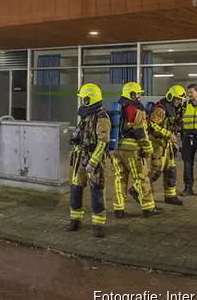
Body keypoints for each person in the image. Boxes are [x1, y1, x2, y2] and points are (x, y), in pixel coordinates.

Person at [67, 83, 110, 237]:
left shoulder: (102, 117)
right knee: (76, 189)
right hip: (79, 157)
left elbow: (103, 142)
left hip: (93, 159)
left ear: (88, 100)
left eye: (83, 99)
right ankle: (75, 220)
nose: (81, 102)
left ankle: (98, 224)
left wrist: (93, 161)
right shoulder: (86, 115)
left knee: (96, 190)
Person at [112, 82, 160, 218]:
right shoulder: (137, 109)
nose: (139, 97)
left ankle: (119, 209)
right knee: (141, 178)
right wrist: (148, 148)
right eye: (138, 94)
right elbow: (140, 131)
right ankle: (148, 207)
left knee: (119, 179)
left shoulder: (117, 106)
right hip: (132, 150)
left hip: (116, 149)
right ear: (132, 94)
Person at [147, 85, 186, 206]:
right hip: (157, 143)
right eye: (177, 99)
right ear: (170, 97)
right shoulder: (161, 109)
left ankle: (170, 195)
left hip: (167, 144)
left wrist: (173, 140)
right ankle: (138, 190)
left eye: (180, 100)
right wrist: (168, 134)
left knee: (171, 170)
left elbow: (172, 125)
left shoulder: (173, 109)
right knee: (156, 170)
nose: (179, 102)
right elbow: (152, 125)